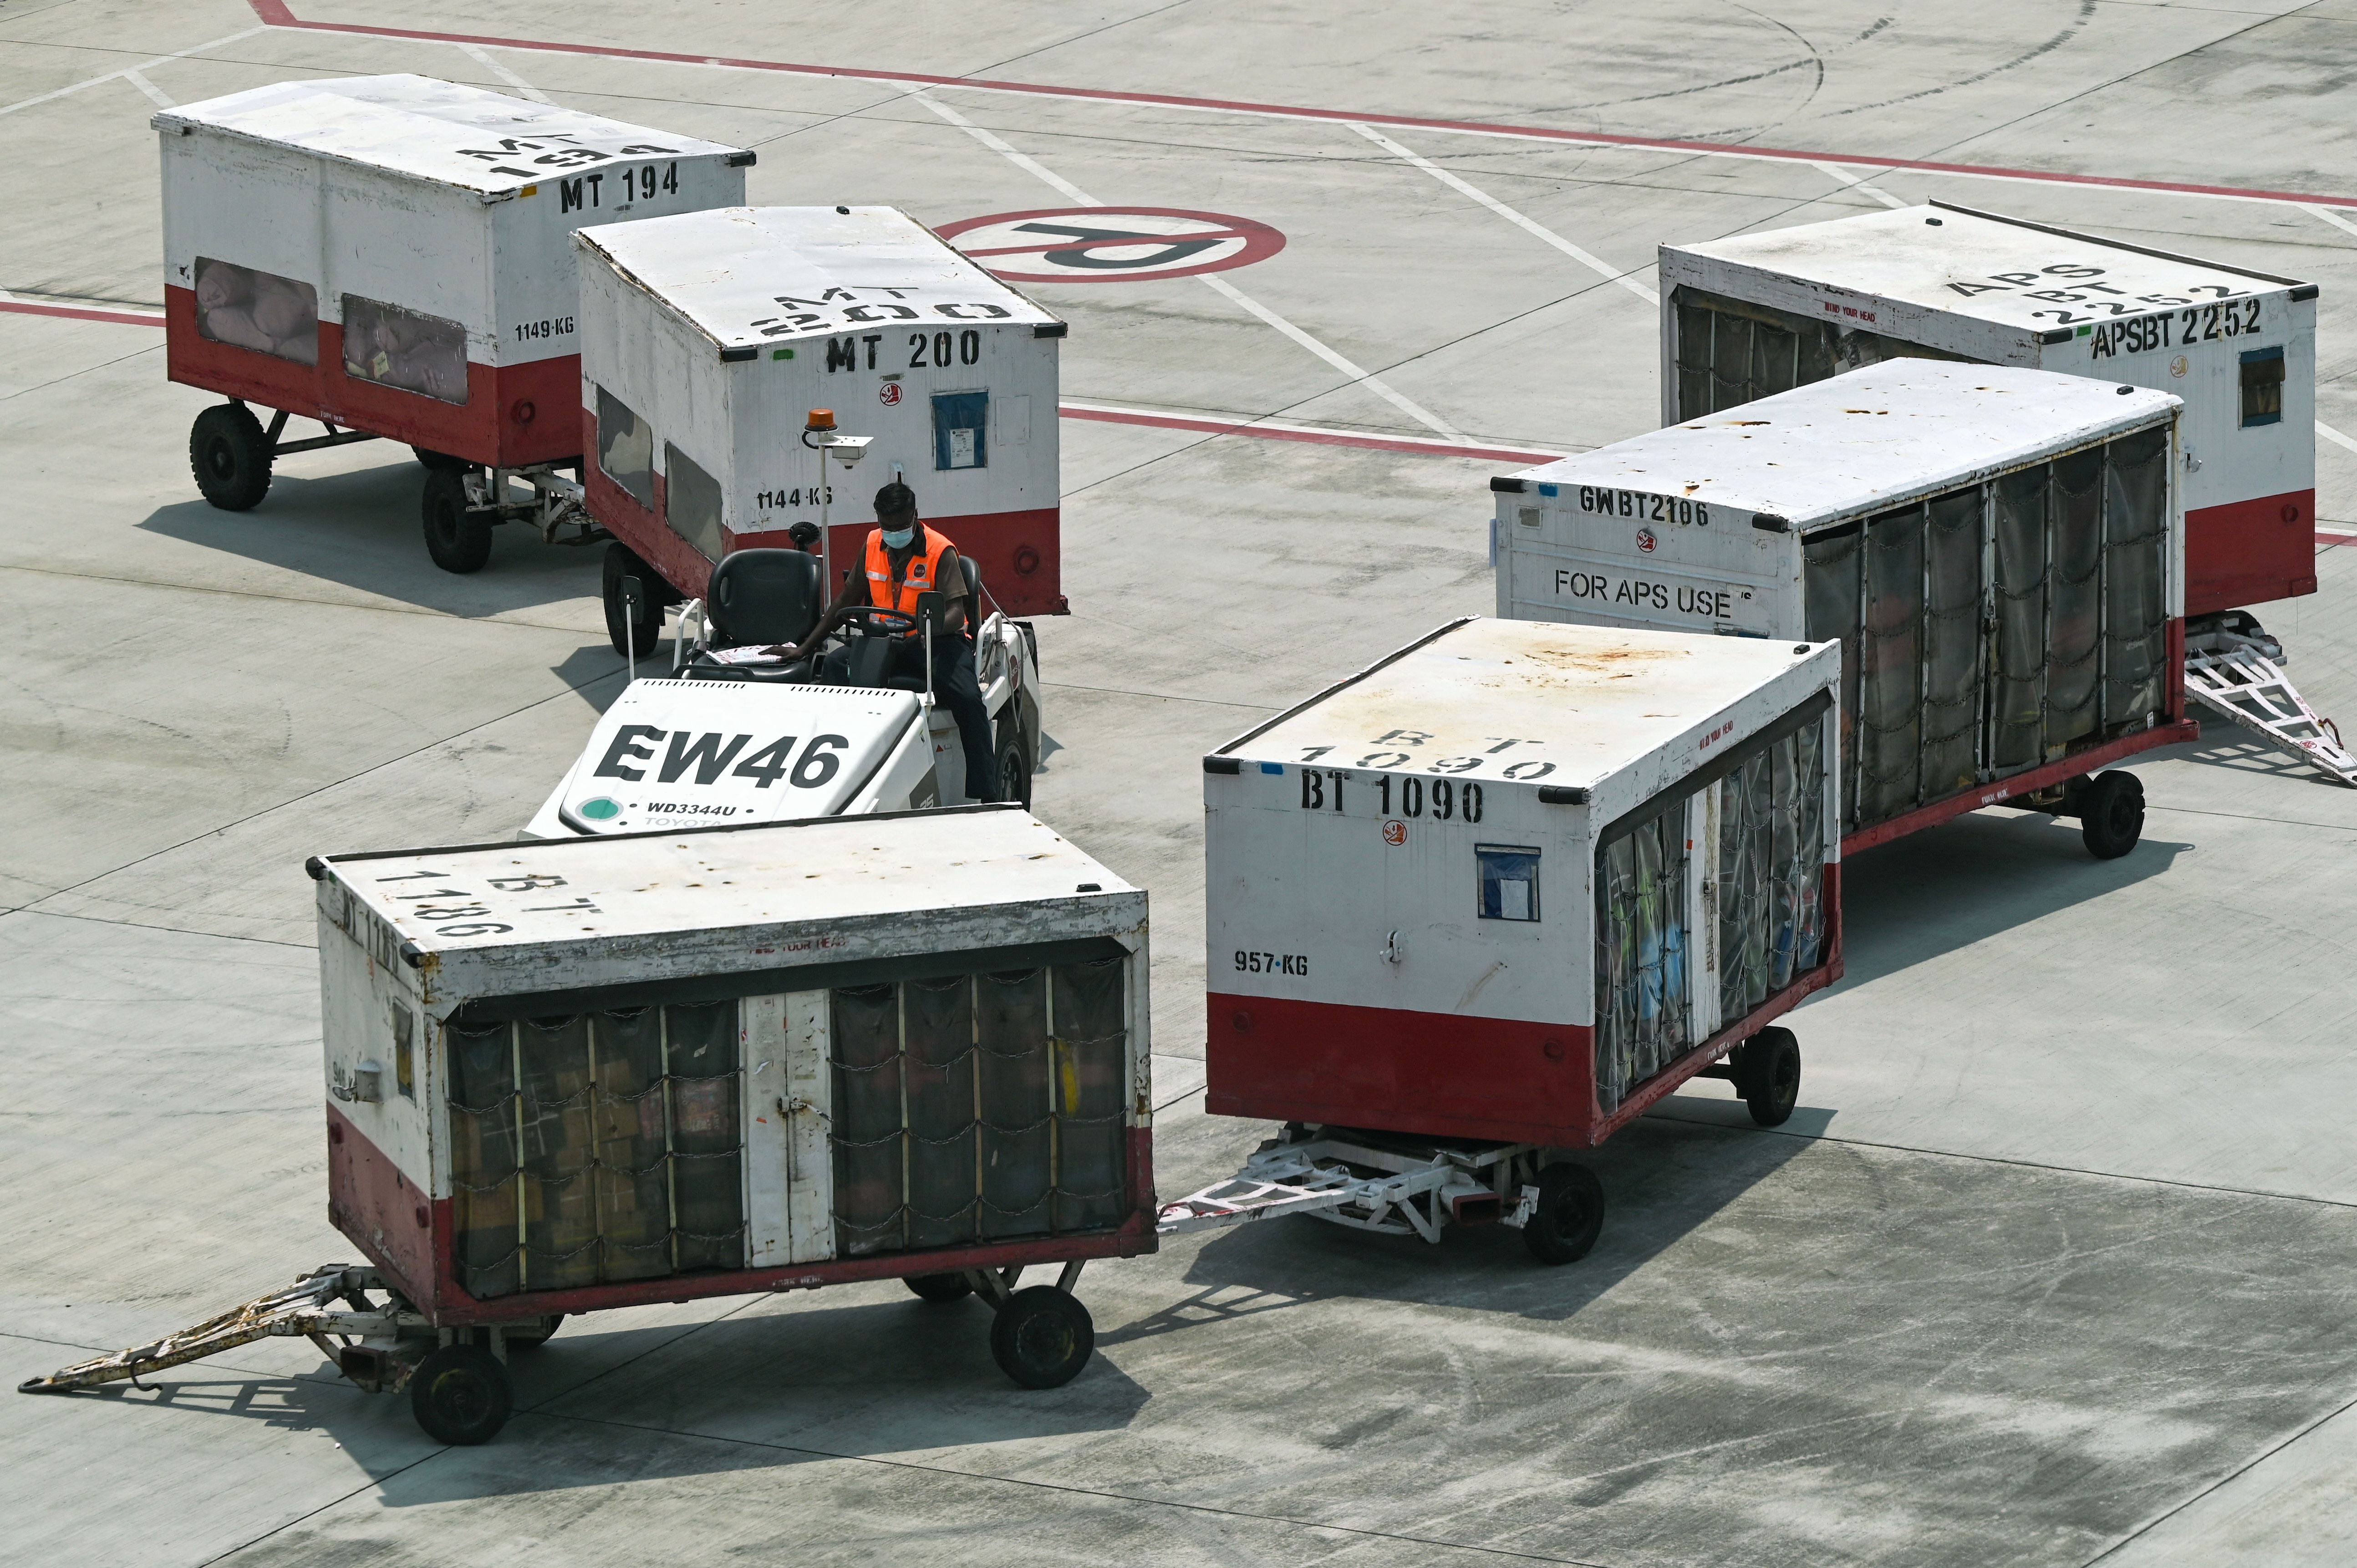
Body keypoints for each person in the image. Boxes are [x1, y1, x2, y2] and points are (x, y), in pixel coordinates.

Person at [777, 481, 999, 802]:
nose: (893, 533)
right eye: (887, 526)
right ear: (877, 518)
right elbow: (843, 602)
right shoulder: (871, 544)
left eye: (901, 526)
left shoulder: (941, 551)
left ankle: (987, 794)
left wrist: (929, 628)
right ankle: (834, 775)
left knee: (967, 698)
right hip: (883, 642)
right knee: (836, 667)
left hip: (933, 643)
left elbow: (956, 611)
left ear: (915, 516)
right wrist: (804, 648)